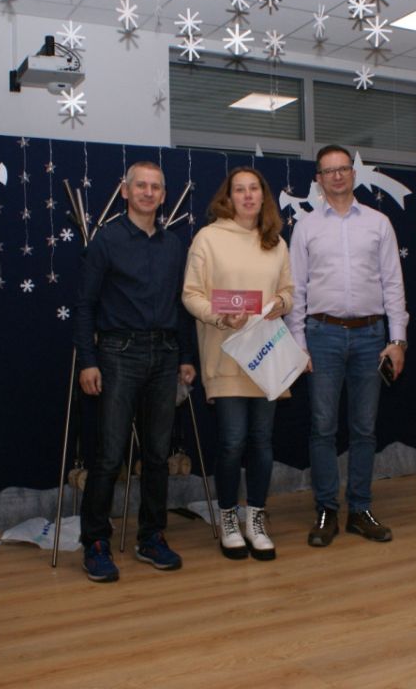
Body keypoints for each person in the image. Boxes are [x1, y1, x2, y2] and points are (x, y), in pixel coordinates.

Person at [73, 160, 196, 582]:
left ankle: (152, 537)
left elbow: (181, 305)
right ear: (125, 191)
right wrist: (88, 361)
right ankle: (95, 542)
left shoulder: (173, 245)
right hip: (117, 354)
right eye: (140, 185)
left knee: (157, 456)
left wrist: (186, 356)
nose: (148, 192)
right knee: (109, 456)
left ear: (164, 195)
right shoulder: (106, 240)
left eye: (155, 187)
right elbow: (85, 306)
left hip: (165, 355)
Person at [287, 144, 409, 547]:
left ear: (353, 174)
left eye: (343, 169)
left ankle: (359, 509)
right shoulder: (306, 227)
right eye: (329, 171)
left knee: (364, 429)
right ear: (318, 180)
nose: (337, 176)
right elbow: (296, 289)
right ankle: (326, 510)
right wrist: (298, 342)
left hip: (371, 338)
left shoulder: (379, 223)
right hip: (321, 336)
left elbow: (393, 284)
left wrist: (397, 340)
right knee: (322, 428)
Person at [182, 167, 294, 561]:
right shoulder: (208, 238)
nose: (247, 196)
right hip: (226, 355)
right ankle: (229, 518)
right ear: (227, 197)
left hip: (265, 358)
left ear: (263, 196)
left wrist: (280, 303)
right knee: (232, 441)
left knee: (262, 441)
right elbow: (191, 295)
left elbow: (289, 292)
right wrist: (220, 317)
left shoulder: (275, 241)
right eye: (239, 190)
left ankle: (256, 519)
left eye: (254, 189)